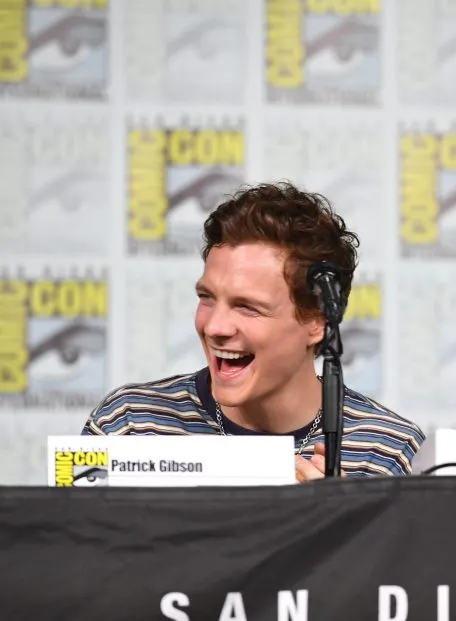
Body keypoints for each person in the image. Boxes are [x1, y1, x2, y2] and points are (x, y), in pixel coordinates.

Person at [83, 182, 425, 480]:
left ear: (317, 321)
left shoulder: (388, 454)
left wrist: (336, 528)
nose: (214, 327)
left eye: (247, 307)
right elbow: (66, 551)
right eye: (207, 297)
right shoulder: (127, 425)